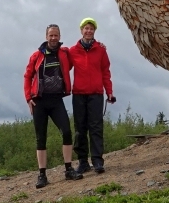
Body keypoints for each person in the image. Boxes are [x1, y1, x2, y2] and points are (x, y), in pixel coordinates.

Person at [23, 24, 83, 188]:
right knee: (40, 137)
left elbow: (78, 53)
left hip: (57, 100)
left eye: (56, 35)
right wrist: (28, 98)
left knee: (66, 131)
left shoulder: (64, 53)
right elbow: (27, 76)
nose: (54, 38)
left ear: (59, 36)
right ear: (46, 36)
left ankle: (69, 169)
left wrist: (99, 45)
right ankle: (42, 175)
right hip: (39, 101)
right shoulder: (36, 56)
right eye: (51, 35)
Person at [68, 17, 115, 174]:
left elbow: (105, 72)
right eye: (86, 28)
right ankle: (83, 162)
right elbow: (64, 66)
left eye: (91, 28)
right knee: (80, 129)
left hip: (96, 94)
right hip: (79, 94)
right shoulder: (72, 51)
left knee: (96, 127)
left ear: (94, 31)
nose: (88, 31)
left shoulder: (101, 50)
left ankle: (97, 161)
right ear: (81, 30)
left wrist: (109, 91)